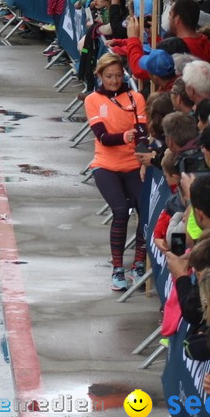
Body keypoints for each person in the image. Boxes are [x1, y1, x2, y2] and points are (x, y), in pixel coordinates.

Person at [85, 53, 148, 292]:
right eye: (109, 76)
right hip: (106, 166)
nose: (114, 81)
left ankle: (139, 262)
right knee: (120, 210)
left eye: (119, 76)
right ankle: (118, 268)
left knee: (146, 209)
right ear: (100, 76)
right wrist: (124, 137)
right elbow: (102, 136)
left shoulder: (136, 97)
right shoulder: (92, 100)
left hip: (133, 165)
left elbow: (142, 131)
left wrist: (142, 152)